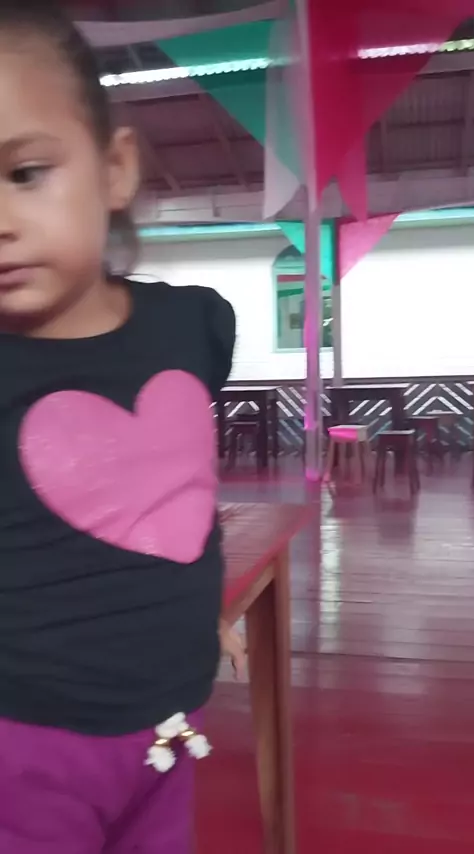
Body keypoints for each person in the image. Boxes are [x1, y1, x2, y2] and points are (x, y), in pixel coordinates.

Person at [0, 2, 244, 851]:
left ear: (114, 169)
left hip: (169, 727)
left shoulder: (192, 328)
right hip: (22, 746)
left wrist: (195, 609)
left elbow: (174, 490)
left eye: (25, 172)